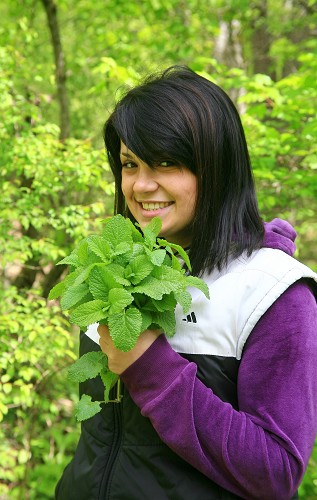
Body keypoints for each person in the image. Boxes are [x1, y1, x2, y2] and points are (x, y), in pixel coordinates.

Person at [55, 66, 317, 499]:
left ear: (216, 167)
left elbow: (276, 474)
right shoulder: (114, 274)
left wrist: (150, 368)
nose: (141, 184)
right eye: (129, 163)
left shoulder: (272, 292)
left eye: (166, 162)